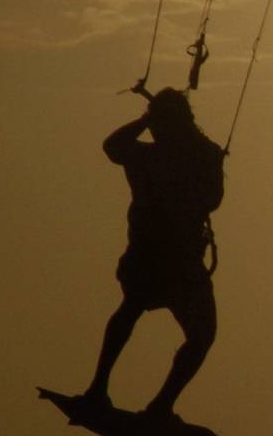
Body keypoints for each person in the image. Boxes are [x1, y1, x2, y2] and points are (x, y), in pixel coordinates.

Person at [82, 88, 225, 418]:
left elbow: (213, 199)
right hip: (153, 257)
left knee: (201, 334)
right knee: (132, 309)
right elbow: (112, 146)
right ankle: (99, 389)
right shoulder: (149, 156)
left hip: (181, 262)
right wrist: (149, 120)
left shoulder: (177, 157)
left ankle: (159, 406)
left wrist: (151, 122)